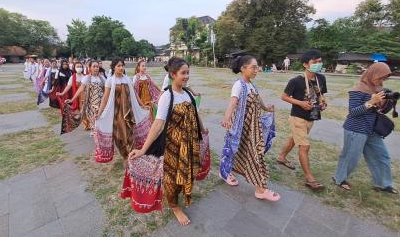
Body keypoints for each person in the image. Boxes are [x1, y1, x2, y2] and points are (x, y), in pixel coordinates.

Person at [127, 57, 208, 225]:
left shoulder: (187, 94)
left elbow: (195, 113)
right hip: (173, 146)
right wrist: (142, 150)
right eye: (183, 73)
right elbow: (158, 124)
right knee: (171, 178)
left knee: (185, 173)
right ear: (172, 74)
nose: (186, 76)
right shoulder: (167, 97)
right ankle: (174, 205)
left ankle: (179, 195)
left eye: (188, 73)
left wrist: (202, 128)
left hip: (189, 144)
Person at [219, 55, 279, 201]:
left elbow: (258, 99)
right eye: (253, 67)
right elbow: (233, 102)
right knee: (233, 150)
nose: (256, 70)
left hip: (252, 128)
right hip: (239, 126)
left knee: (248, 153)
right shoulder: (239, 85)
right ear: (243, 68)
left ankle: (259, 188)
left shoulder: (251, 84)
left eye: (257, 67)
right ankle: (226, 173)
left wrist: (266, 107)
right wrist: (226, 119)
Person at [333, 62, 397, 194]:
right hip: (355, 129)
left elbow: (381, 111)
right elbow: (353, 112)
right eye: (380, 77)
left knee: (381, 155)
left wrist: (389, 102)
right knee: (350, 157)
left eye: (384, 78)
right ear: (372, 73)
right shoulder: (358, 89)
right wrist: (371, 102)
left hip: (372, 129)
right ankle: (339, 179)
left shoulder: (379, 89)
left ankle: (383, 184)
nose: (381, 81)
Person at [277, 50, 327, 191]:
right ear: (305, 64)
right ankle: (310, 179)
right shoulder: (296, 81)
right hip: (297, 117)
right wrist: (300, 103)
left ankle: (281, 157)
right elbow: (284, 97)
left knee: (295, 138)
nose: (318, 64)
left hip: (311, 117)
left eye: (320, 61)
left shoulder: (321, 78)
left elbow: (320, 94)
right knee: (304, 146)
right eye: (314, 62)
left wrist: (323, 102)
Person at [94, 58, 151, 164]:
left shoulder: (127, 79)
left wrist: (142, 105)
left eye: (122, 65)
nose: (121, 68)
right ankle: (124, 155)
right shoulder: (110, 80)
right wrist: (100, 112)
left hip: (129, 112)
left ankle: (130, 155)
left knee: (130, 133)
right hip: (116, 113)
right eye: (118, 66)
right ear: (114, 67)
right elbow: (105, 98)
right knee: (119, 135)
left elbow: (134, 95)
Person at [63, 60, 105, 135]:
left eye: (97, 67)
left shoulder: (102, 78)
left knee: (101, 120)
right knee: (94, 119)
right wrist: (72, 99)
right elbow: (80, 89)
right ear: (90, 68)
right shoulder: (87, 78)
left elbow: (107, 89)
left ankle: (99, 134)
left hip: (102, 103)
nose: (96, 68)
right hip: (91, 103)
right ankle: (95, 134)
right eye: (94, 67)